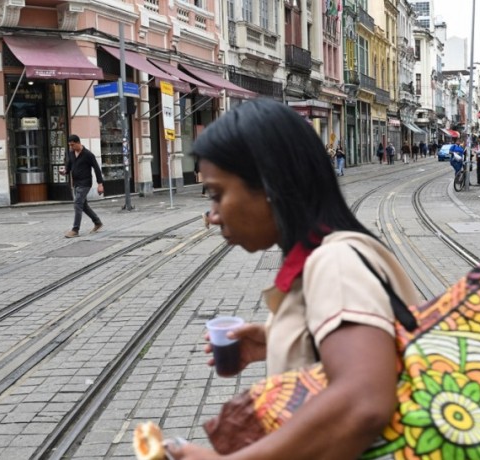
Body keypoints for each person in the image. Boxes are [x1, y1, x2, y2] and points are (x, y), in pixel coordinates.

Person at [172, 98, 421, 459]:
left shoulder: (334, 262)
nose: (211, 215)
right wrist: (276, 339)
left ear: (270, 186)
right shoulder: (320, 256)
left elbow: (363, 402)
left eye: (217, 194)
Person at [61, 134, 104, 238]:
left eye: (72, 145)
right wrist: (64, 171)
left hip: (85, 183)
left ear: (78, 143)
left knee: (78, 204)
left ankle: (75, 230)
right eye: (70, 145)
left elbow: (97, 169)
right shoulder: (71, 153)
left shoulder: (88, 154)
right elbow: (69, 167)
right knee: (83, 205)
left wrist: (100, 184)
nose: (71, 147)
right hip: (76, 183)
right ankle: (97, 222)